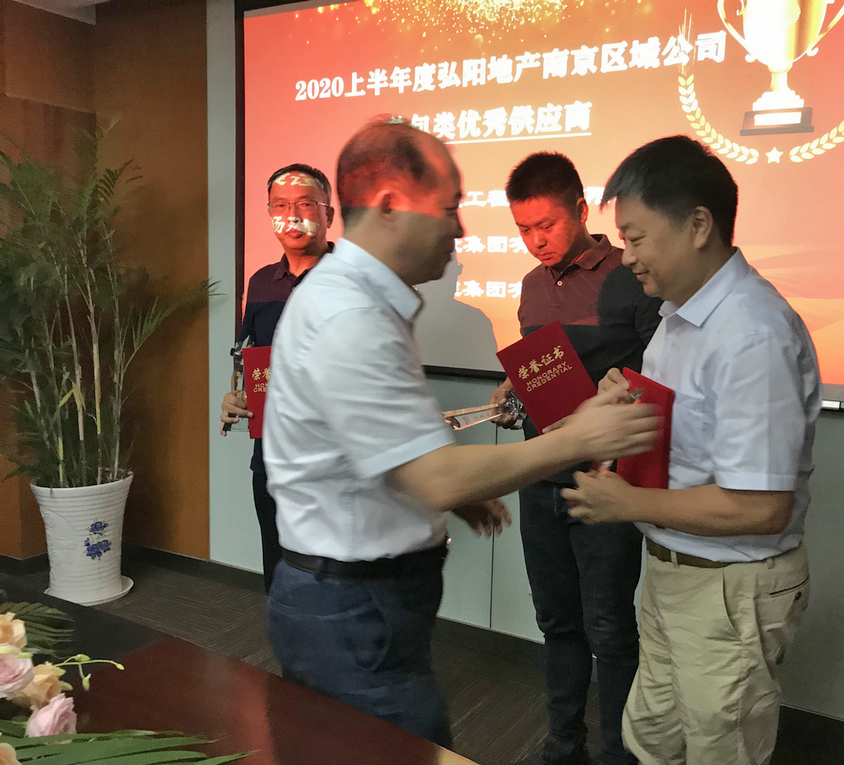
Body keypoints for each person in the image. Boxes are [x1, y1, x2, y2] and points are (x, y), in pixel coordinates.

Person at [260, 118, 660, 750]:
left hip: (363, 603)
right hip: (353, 611)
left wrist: (440, 488)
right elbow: (436, 475)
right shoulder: (350, 314)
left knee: (607, 627)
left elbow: (379, 448)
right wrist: (579, 437)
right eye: (448, 208)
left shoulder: (360, 303)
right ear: (391, 207)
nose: (460, 230)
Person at [562, 135, 822, 765]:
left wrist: (627, 504)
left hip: (727, 589)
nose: (627, 258)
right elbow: (684, 442)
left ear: (699, 225)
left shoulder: (751, 333)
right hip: (674, 571)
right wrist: (621, 406)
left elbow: (761, 507)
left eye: (636, 238)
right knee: (653, 740)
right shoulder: (677, 318)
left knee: (718, 751)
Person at [487, 152, 662, 765]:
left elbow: (660, 374)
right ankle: (564, 745)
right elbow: (541, 371)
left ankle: (618, 753)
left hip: (605, 482)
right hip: (540, 473)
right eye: (523, 229)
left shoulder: (629, 276)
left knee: (609, 628)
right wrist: (513, 390)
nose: (536, 241)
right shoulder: (531, 287)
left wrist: (625, 388)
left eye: (547, 225)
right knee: (556, 622)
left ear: (582, 210)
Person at [218, 163, 335, 593]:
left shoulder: (355, 280)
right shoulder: (262, 282)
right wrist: (235, 396)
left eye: (305, 204)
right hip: (271, 457)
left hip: (334, 462)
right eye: (280, 206)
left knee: (333, 582)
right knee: (280, 572)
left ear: (328, 214)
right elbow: (247, 357)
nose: (293, 216)